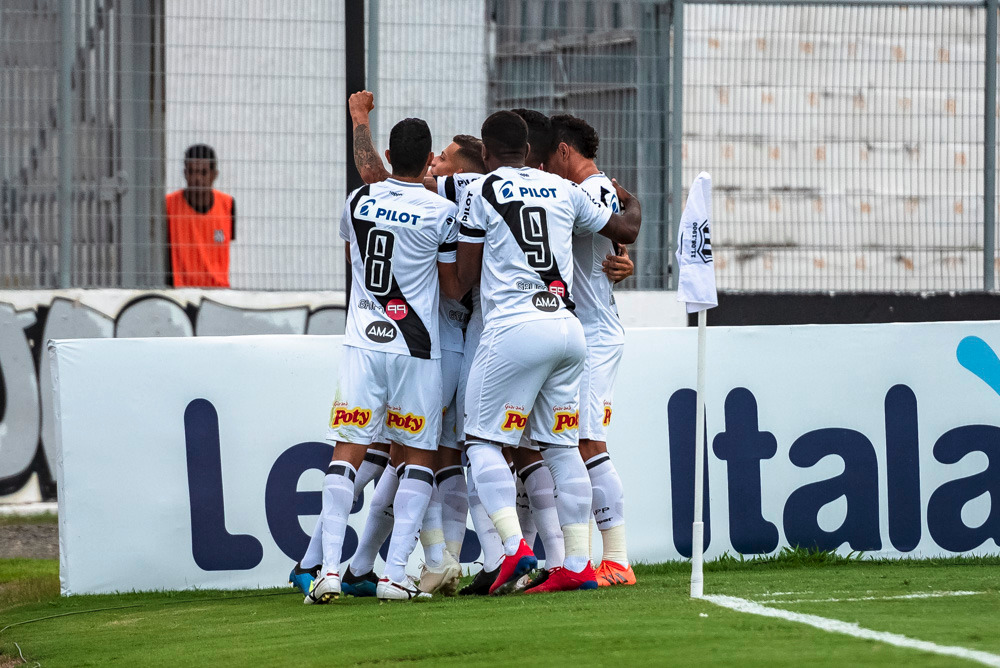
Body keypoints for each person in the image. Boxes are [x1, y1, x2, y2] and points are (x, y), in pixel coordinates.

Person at [455, 111, 641, 594]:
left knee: (481, 441)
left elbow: (464, 276)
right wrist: (632, 202)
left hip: (514, 328)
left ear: (487, 151)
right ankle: (577, 563)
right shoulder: (564, 189)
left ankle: (514, 549)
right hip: (568, 329)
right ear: (528, 150)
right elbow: (621, 228)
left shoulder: (482, 189)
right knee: (561, 447)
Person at [306, 117, 461, 603]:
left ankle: (329, 571)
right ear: (429, 159)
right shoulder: (442, 212)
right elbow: (452, 286)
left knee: (347, 450)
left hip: (363, 344)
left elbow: (354, 257)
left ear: (389, 157)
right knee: (418, 455)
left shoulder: (357, 200)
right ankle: (394, 575)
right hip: (416, 348)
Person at [546, 113, 636, 587]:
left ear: (564, 151)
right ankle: (573, 559)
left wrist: (630, 217)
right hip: (585, 333)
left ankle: (616, 559)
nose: (544, 167)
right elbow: (615, 237)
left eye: (548, 157)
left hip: (596, 336)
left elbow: (622, 230)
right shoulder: (599, 190)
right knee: (568, 443)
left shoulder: (589, 192)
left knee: (586, 443)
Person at [165, 144, 236, 287]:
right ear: (185, 173)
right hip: (181, 291)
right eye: (192, 172)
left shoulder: (228, 205)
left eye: (203, 173)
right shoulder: (169, 205)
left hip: (218, 291)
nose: (197, 178)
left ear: (214, 175)